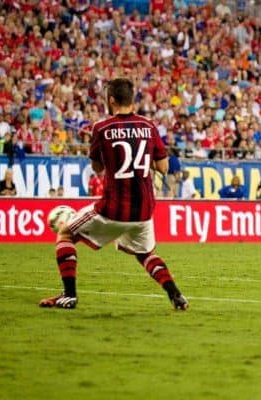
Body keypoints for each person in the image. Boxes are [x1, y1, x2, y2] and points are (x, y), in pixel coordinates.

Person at [39, 78, 188, 311]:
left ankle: (69, 295)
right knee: (145, 254)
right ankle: (176, 295)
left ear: (111, 100)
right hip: (145, 209)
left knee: (66, 233)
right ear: (132, 98)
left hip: (114, 207)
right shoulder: (149, 126)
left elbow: (97, 169)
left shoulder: (101, 128)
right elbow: (163, 167)